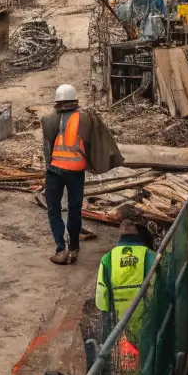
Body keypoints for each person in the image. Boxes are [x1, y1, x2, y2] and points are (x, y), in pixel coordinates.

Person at [41, 84, 121, 266]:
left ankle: (61, 249)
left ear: (57, 101)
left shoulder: (48, 119)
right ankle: (74, 248)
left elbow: (47, 149)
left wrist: (48, 170)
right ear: (74, 100)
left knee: (54, 210)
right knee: (74, 209)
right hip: (76, 171)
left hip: (55, 170)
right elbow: (94, 143)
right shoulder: (85, 118)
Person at [95, 222, 156, 364]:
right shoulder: (152, 257)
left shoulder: (107, 258)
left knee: (128, 366)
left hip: (121, 327)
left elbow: (101, 300)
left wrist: (107, 331)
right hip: (149, 324)